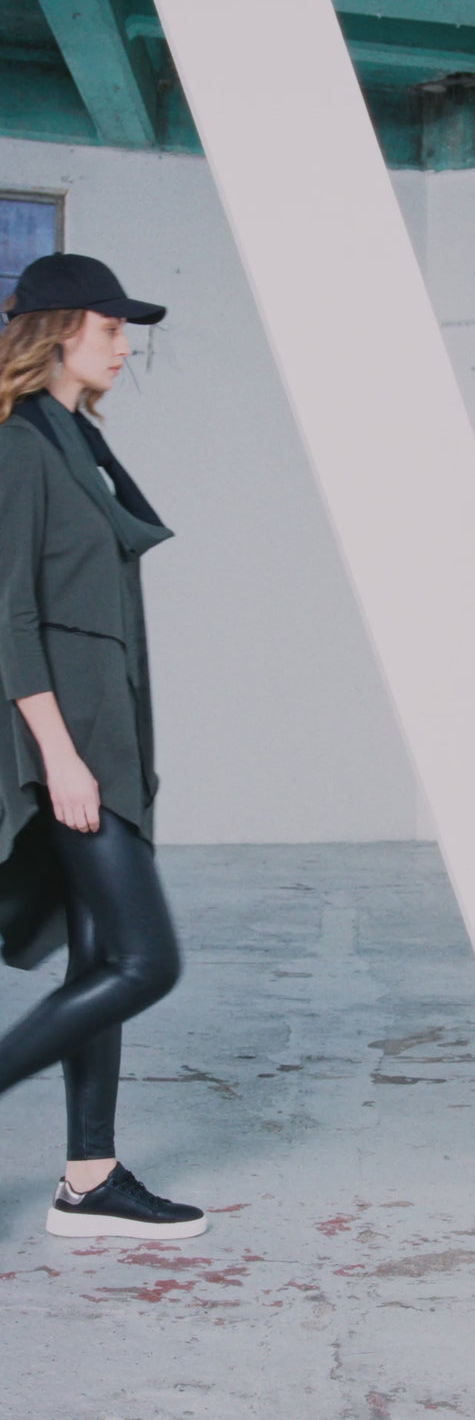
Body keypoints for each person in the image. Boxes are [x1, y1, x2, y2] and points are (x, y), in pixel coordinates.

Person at [0, 253, 205, 1239]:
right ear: (58, 330)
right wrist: (61, 756)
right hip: (68, 742)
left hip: (108, 734)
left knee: (98, 956)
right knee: (144, 960)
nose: (125, 345)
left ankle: (89, 1179)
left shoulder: (77, 439)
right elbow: (9, 617)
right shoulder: (19, 444)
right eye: (111, 326)